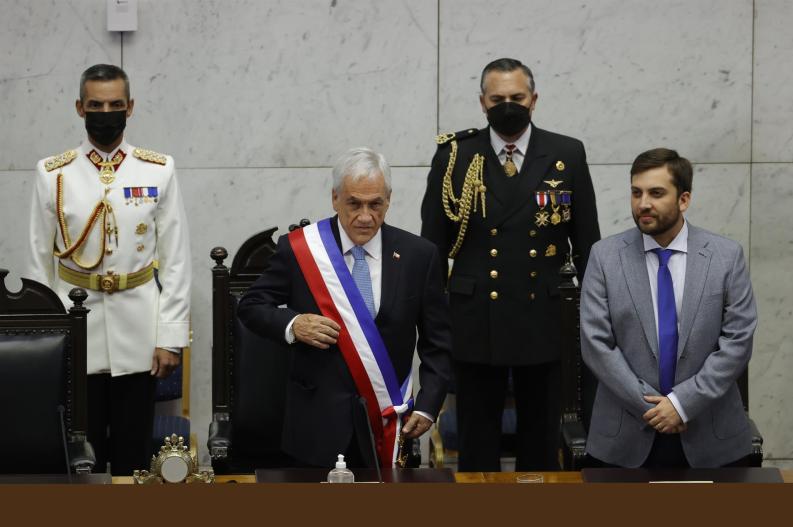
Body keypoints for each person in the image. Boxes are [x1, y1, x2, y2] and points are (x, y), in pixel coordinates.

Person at [420, 58, 600, 471]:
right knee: (477, 445)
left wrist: (594, 318)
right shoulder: (454, 156)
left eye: (517, 97)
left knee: (541, 444)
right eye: (497, 98)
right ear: (482, 102)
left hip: (544, 318)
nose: (507, 105)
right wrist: (431, 324)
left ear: (534, 100)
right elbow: (432, 249)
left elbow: (587, 245)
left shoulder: (566, 153)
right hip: (475, 318)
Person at [238, 147, 451, 468]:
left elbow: (438, 342)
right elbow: (251, 306)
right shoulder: (301, 250)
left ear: (389, 200)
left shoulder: (419, 255)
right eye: (354, 204)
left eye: (375, 204)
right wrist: (293, 324)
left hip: (389, 422)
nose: (365, 216)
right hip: (316, 424)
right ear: (335, 198)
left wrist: (427, 405)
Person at [28, 64, 191, 475]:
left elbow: (176, 259)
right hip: (75, 329)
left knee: (133, 458)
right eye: (96, 105)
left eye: (115, 104)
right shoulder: (53, 173)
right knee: (80, 457)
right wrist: (46, 339)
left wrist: (170, 337)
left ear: (130, 107)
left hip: (140, 332)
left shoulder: (158, 169)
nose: (106, 113)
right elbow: (38, 262)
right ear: (80, 108)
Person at [581, 148, 757, 468]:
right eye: (636, 193)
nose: (643, 204)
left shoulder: (725, 256)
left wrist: (681, 404)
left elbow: (738, 341)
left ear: (684, 199)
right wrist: (655, 409)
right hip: (624, 438)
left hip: (711, 436)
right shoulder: (604, 257)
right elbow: (596, 344)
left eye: (656, 193)